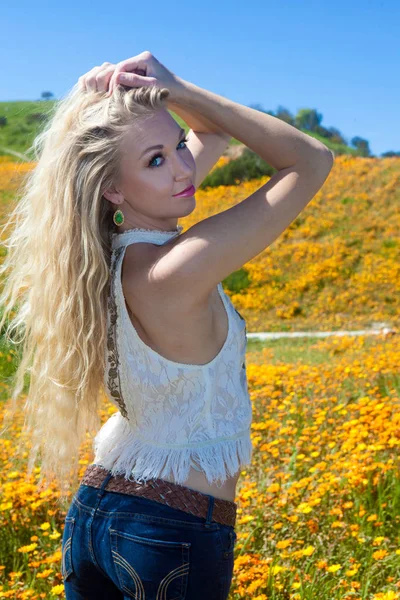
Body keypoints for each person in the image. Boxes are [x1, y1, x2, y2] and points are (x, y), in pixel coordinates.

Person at [0, 51, 333, 599]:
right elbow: (311, 160)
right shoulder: (173, 270)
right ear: (113, 189)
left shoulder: (104, 250)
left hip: (98, 514)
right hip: (167, 535)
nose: (183, 168)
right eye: (156, 160)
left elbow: (213, 138)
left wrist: (157, 104)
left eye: (178, 145)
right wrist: (177, 88)